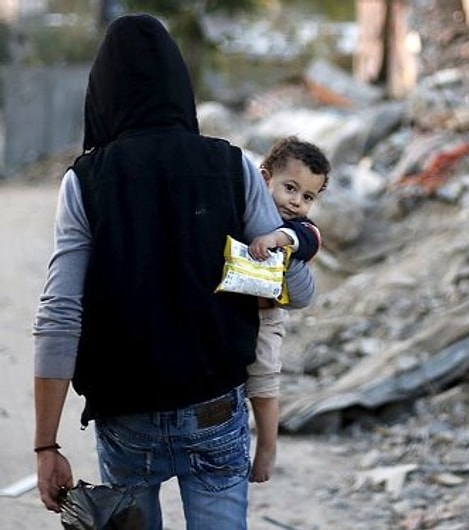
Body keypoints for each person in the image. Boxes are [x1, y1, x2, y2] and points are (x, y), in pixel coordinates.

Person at [31, 13, 315, 530]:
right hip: (214, 408)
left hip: (126, 415)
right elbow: (293, 290)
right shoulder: (232, 168)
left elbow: (61, 313)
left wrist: (46, 445)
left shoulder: (85, 182)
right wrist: (292, 240)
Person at [244, 137, 330, 483]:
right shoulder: (244, 209)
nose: (296, 202)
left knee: (263, 382)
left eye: (308, 197)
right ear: (266, 179)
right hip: (232, 311)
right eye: (290, 188)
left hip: (266, 317)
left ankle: (267, 448)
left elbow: (307, 240)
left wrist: (276, 239)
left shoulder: (301, 229)